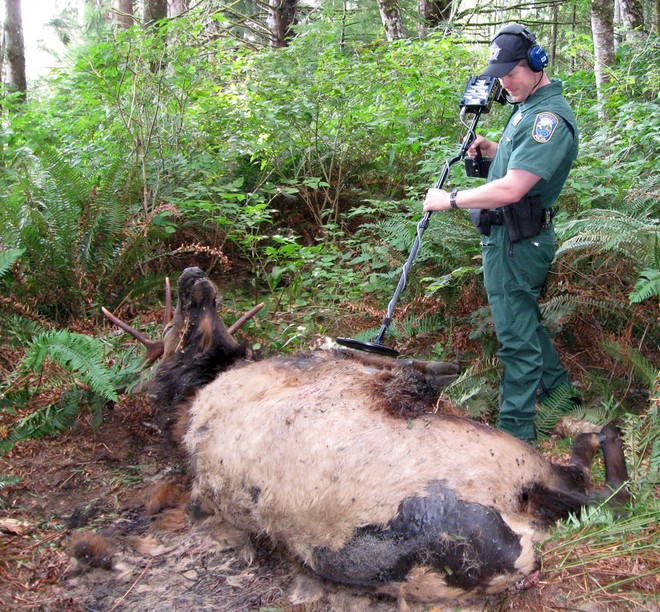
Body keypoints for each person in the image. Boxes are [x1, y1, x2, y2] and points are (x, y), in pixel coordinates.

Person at [423, 24, 579, 442]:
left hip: (516, 242)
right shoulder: (525, 107)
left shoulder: (546, 117)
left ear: (536, 63)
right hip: (511, 237)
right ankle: (561, 396)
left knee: (515, 339)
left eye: (512, 72)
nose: (504, 82)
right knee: (524, 320)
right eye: (499, 74)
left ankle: (516, 436)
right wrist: (495, 150)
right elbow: (516, 164)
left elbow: (512, 188)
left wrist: (451, 199)